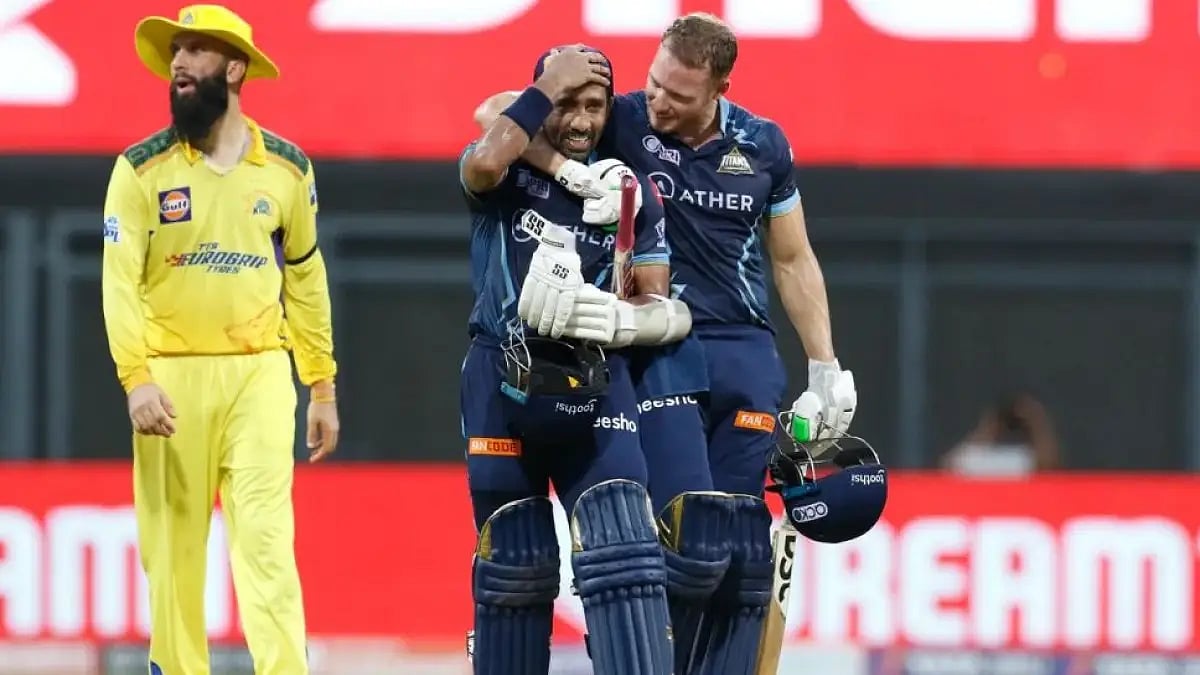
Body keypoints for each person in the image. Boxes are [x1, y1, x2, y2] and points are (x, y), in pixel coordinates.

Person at [474, 14, 859, 675]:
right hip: (657, 348)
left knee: (738, 554)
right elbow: (495, 115)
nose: (657, 102)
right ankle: (634, 654)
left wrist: (825, 365)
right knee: (687, 547)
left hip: (743, 350)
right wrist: (570, 171)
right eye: (653, 83)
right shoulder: (623, 118)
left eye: (677, 96)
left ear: (719, 89)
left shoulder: (763, 145)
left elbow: (793, 258)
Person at [101, 6, 339, 674]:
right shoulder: (140, 170)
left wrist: (321, 383)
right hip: (170, 378)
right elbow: (118, 284)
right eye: (176, 52)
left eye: (197, 51)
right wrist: (136, 378)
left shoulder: (287, 170)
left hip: (259, 373)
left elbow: (305, 277)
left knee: (266, 541)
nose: (179, 63)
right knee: (173, 550)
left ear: (235, 68)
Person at [459, 45, 695, 675]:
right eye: (566, 103)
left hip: (596, 380)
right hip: (501, 377)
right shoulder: (507, 166)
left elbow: (659, 298)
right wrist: (564, 161)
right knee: (516, 565)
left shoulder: (629, 191)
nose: (582, 120)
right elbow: (484, 158)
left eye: (595, 106)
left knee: (625, 555)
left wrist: (618, 318)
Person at [942, 392, 1062, 476]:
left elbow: (1049, 466)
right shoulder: (976, 459)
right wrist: (1035, 419)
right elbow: (949, 465)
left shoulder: (1022, 458)